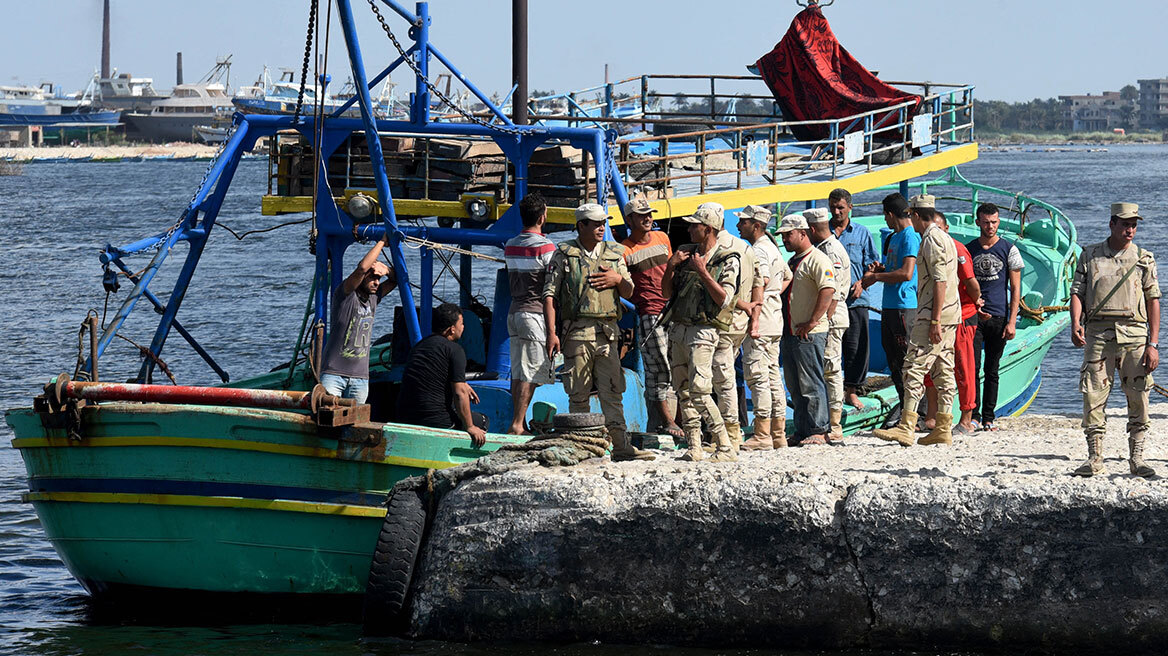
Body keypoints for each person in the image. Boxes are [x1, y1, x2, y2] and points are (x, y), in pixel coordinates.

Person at [544, 203, 655, 462]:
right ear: (581, 225)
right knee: (578, 393)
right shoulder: (563, 253)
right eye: (595, 223)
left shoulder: (615, 253)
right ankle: (583, 447)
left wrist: (618, 280)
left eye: (603, 223)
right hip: (577, 332)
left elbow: (629, 292)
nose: (601, 228)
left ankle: (621, 446)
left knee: (612, 392)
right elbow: (549, 296)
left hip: (608, 333)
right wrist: (552, 333)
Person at [1070, 202, 1160, 478]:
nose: (1130, 229)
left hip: (1134, 335)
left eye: (1133, 224)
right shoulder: (1090, 256)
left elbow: (1153, 300)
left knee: (1139, 397)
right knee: (1094, 396)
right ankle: (1094, 457)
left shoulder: (1144, 258)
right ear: (1112, 224)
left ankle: (1137, 458)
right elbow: (1077, 292)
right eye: (1124, 224)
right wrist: (1075, 323)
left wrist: (1153, 344)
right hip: (1098, 336)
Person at [872, 195, 960, 447]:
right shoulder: (946, 239)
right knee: (943, 369)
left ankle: (907, 425)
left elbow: (940, 281)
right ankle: (943, 426)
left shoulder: (931, 240)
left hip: (933, 313)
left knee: (913, 366)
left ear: (916, 215)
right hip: (950, 313)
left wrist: (934, 321)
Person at [660, 206, 741, 462]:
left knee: (701, 390)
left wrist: (703, 271)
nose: (690, 228)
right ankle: (694, 445)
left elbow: (724, 299)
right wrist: (671, 266)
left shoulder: (728, 258)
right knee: (683, 389)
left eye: (695, 225)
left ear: (708, 228)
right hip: (680, 328)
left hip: (704, 331)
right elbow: (665, 293)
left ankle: (724, 444)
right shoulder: (685, 253)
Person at [702, 202, 762, 454]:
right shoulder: (746, 248)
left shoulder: (721, 250)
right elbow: (759, 283)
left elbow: (724, 295)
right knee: (727, 377)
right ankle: (729, 430)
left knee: (721, 379)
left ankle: (729, 432)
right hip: (738, 323)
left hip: (722, 322)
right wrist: (754, 316)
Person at [620, 197, 682, 439]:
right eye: (641, 215)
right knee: (660, 369)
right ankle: (668, 421)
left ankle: (673, 420)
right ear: (630, 220)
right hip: (650, 314)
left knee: (676, 365)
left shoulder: (662, 238)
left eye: (649, 214)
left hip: (671, 310)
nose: (647, 218)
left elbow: (671, 272)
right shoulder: (625, 250)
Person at [776, 213, 836, 446]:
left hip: (809, 333)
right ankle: (802, 429)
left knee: (811, 381)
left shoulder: (818, 260)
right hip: (792, 331)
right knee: (795, 384)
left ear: (803, 233)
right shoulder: (794, 261)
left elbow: (828, 290)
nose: (784, 240)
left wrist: (812, 321)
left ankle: (819, 429)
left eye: (788, 235)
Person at [737, 205, 793, 450]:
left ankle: (761, 434)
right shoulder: (773, 248)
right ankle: (778, 434)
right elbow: (787, 276)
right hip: (774, 317)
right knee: (772, 376)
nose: (739, 226)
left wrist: (755, 311)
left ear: (755, 225)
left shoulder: (758, 250)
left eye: (744, 222)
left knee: (757, 376)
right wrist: (773, 296)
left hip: (760, 318)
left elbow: (763, 280)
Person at [861, 193, 919, 428]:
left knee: (907, 361)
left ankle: (914, 413)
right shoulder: (894, 238)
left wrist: (875, 277)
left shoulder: (910, 237)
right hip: (890, 306)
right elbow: (895, 268)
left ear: (890, 214)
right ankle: (905, 408)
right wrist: (882, 269)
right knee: (894, 359)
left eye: (885, 216)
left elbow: (906, 273)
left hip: (904, 307)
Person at [396, 303, 488, 448]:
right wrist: (469, 426)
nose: (463, 327)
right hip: (436, 420)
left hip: (405, 416)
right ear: (452, 329)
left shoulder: (419, 346)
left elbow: (431, 374)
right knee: (482, 421)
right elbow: (459, 393)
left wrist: (463, 383)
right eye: (461, 324)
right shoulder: (455, 350)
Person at [967, 202, 1024, 431]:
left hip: (999, 317)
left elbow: (1016, 288)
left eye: (994, 222)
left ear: (998, 222)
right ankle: (973, 414)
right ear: (977, 222)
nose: (990, 226)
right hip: (974, 316)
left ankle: (989, 417)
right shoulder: (970, 249)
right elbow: (963, 283)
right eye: (986, 222)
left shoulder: (1009, 249)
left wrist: (1012, 321)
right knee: (972, 367)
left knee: (992, 369)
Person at [503, 193, 557, 434]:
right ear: (543, 217)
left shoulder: (510, 244)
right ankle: (517, 424)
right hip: (534, 315)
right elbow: (551, 286)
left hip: (514, 312)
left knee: (518, 370)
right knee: (532, 371)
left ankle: (518, 422)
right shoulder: (546, 247)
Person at [923, 212, 981, 434]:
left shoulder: (957, 249)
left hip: (962, 315)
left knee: (964, 366)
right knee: (933, 364)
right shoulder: (928, 247)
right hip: (939, 316)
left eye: (940, 228)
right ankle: (932, 416)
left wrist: (977, 302)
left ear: (946, 229)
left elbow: (970, 282)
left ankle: (966, 417)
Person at [320, 235, 396, 403]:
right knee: (327, 419)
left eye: (379, 279)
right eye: (373, 278)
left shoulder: (374, 299)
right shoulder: (345, 295)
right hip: (334, 374)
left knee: (354, 424)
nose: (376, 282)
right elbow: (362, 268)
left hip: (360, 378)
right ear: (362, 279)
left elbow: (396, 280)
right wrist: (382, 242)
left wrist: (387, 270)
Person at [830, 188, 881, 410]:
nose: (836, 211)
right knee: (829, 347)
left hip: (855, 301)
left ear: (850, 207)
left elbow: (874, 266)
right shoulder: (823, 232)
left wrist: (862, 283)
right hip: (829, 300)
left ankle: (851, 391)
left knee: (856, 348)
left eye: (840, 207)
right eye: (832, 207)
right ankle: (830, 391)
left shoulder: (861, 233)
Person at [806, 207, 851, 442]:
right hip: (830, 316)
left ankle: (834, 424)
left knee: (831, 369)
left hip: (832, 318)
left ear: (812, 229)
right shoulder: (826, 248)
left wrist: (821, 319)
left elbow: (833, 293)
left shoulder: (831, 251)